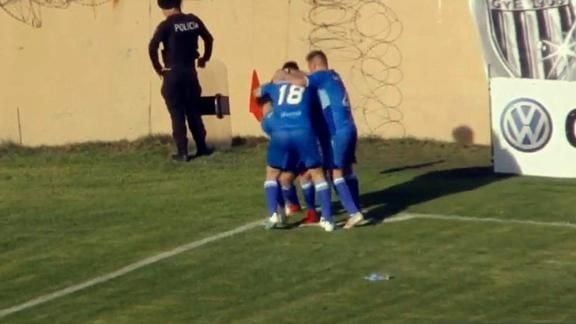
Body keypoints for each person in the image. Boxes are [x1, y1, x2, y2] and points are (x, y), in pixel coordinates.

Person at [282, 50, 365, 229]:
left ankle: (353, 212)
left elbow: (300, 81)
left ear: (314, 66)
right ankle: (356, 206)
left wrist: (286, 74)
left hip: (337, 132)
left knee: (335, 174)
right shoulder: (334, 76)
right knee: (347, 170)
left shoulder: (321, 76)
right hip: (350, 128)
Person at [255, 67, 335, 232]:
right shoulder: (308, 85)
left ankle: (274, 214)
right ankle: (327, 219)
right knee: (317, 173)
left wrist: (272, 84)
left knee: (272, 173)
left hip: (281, 131)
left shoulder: (276, 85)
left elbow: (257, 92)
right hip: (303, 130)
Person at [148, 0, 214, 161]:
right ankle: (202, 147)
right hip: (190, 73)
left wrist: (159, 68)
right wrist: (204, 58)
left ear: (166, 8)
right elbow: (209, 39)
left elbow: (152, 46)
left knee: (177, 114)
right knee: (193, 111)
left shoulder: (166, 25)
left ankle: (183, 152)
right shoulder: (193, 20)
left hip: (173, 73)